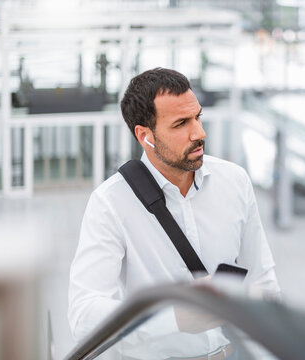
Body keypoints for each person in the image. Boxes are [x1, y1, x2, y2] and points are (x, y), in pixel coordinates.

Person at [68, 68, 281, 357]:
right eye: (181, 123)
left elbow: (262, 282)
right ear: (146, 136)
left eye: (197, 117)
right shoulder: (111, 203)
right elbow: (84, 313)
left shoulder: (235, 181)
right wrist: (172, 318)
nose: (199, 133)